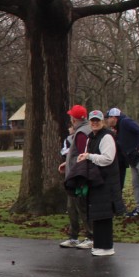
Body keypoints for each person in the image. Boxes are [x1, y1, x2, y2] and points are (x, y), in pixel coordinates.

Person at [76, 110, 126, 256]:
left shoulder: (107, 137)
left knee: (104, 215)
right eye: (92, 120)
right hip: (96, 180)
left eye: (97, 120)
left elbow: (108, 158)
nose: (95, 123)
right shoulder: (91, 137)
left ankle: (107, 247)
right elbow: (88, 156)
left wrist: (89, 156)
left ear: (102, 122)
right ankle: (99, 245)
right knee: (97, 214)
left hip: (106, 181)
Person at [57, 105, 94, 249]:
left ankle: (91, 237)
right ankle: (73, 236)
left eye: (71, 117)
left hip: (78, 176)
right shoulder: (82, 131)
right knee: (72, 207)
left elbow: (82, 155)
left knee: (81, 207)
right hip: (74, 174)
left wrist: (78, 173)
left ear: (74, 119)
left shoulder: (82, 133)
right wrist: (67, 164)